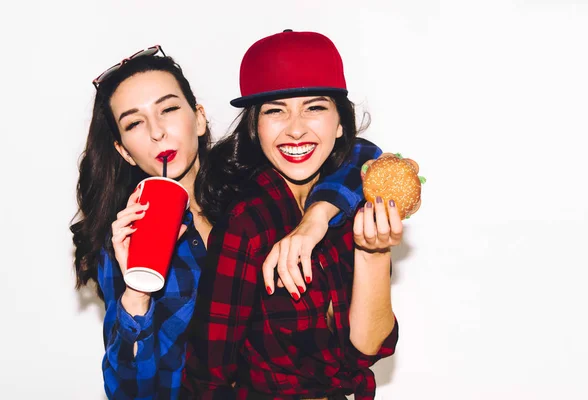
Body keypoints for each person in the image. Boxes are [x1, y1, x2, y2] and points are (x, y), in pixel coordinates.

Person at [70, 46, 383, 399]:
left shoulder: (254, 187)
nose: (157, 132)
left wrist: (318, 215)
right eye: (135, 123)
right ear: (124, 149)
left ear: (199, 118)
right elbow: (130, 393)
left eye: (169, 109)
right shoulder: (122, 243)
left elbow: (361, 155)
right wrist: (137, 293)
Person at [183, 30, 401, 400]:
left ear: (341, 123)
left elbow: (366, 349)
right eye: (275, 110)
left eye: (314, 107)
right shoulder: (247, 223)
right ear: (254, 126)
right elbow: (209, 376)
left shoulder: (352, 201)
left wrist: (372, 251)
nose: (296, 128)